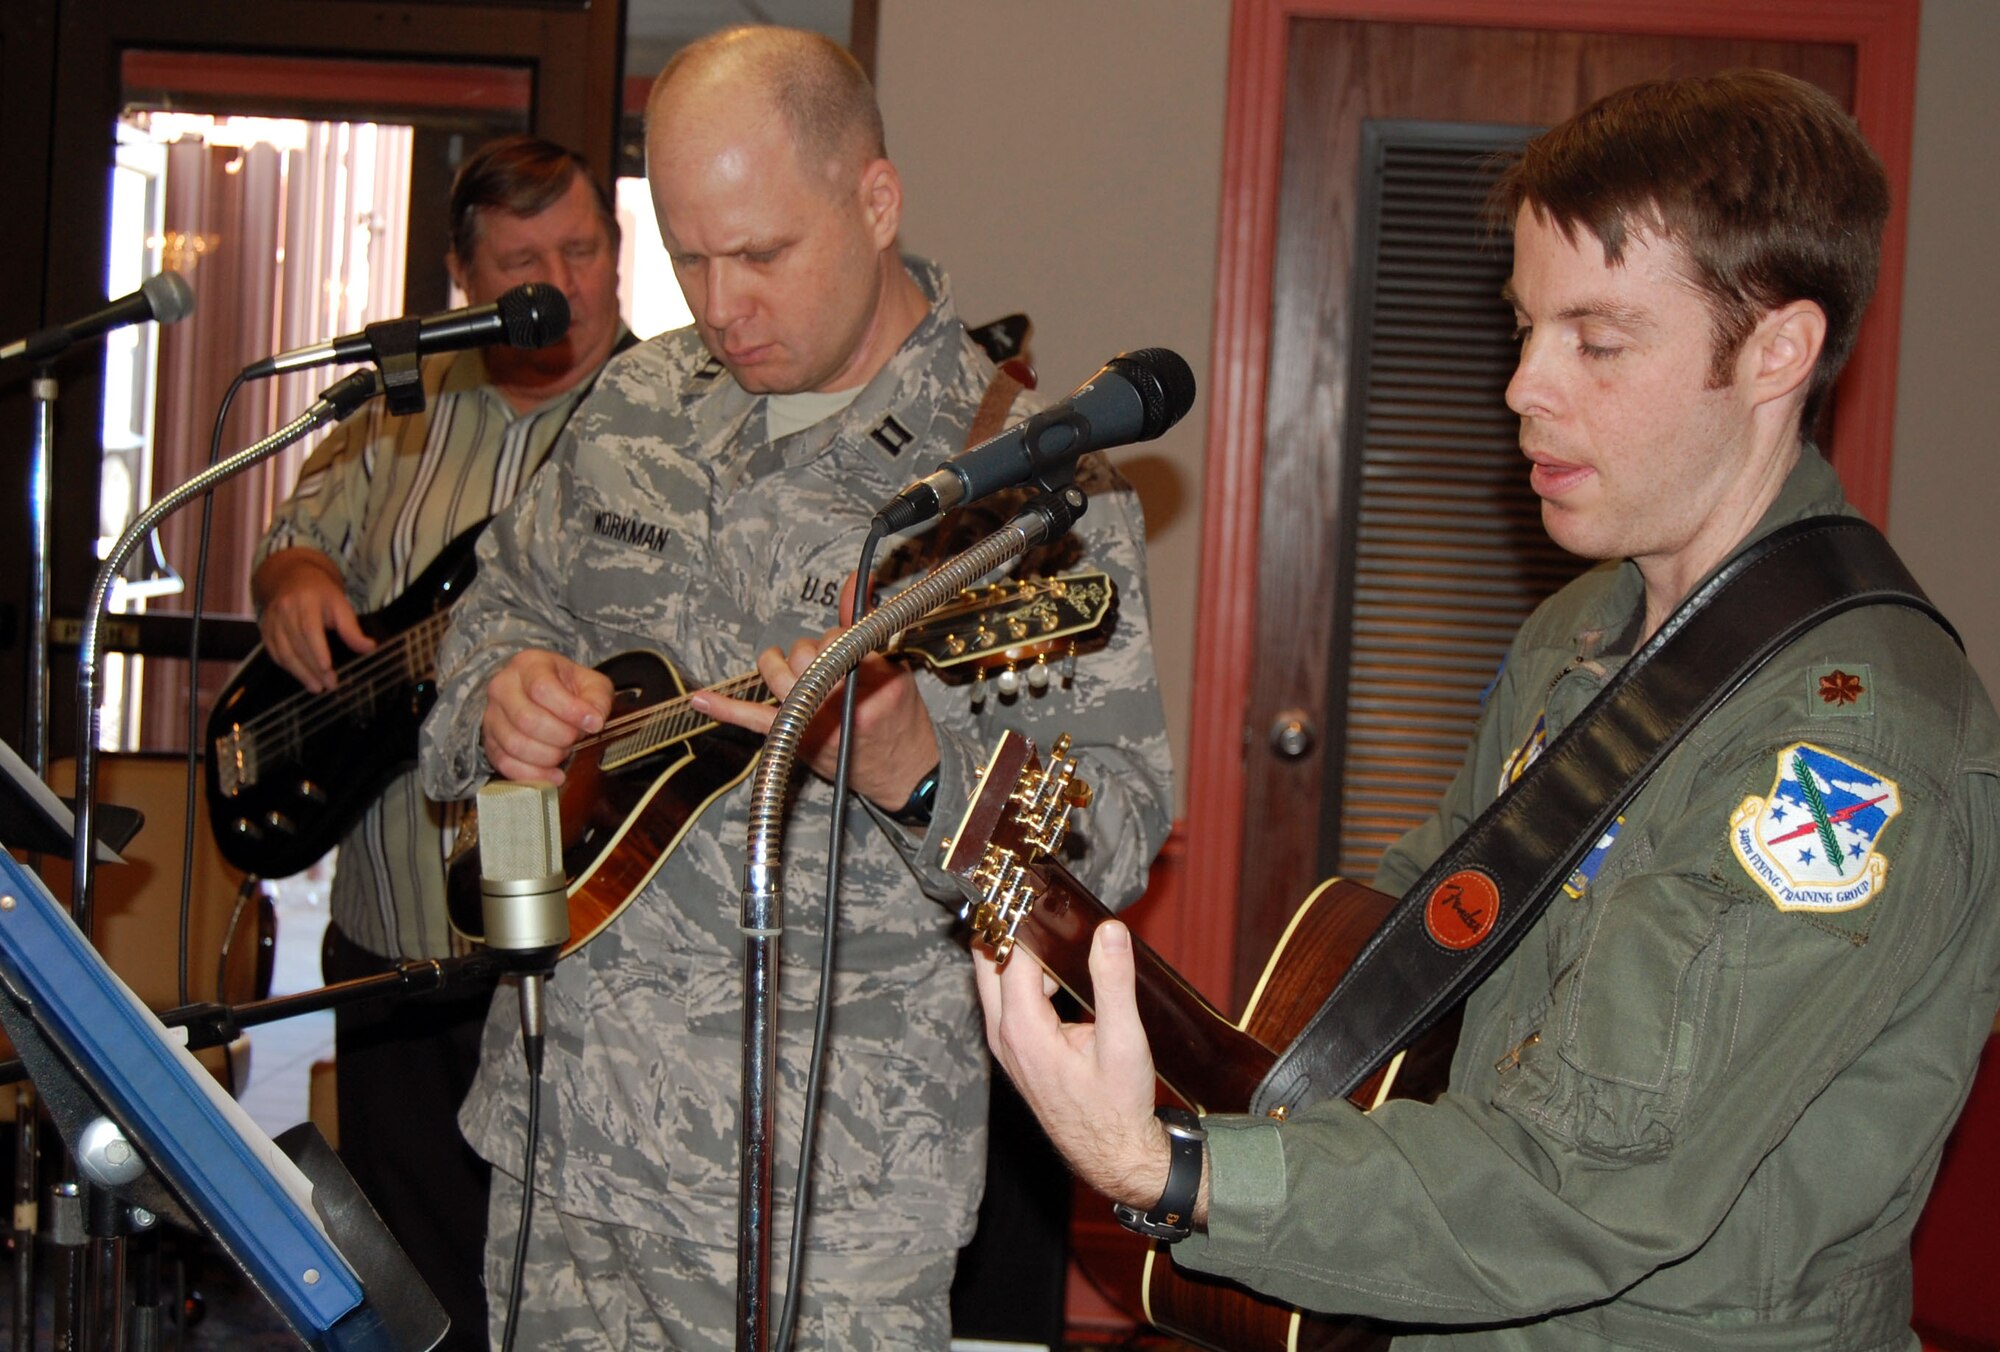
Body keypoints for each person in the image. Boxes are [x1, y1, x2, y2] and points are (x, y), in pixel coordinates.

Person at [980, 68, 2000, 1350]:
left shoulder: (1850, 745)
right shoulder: (1577, 630)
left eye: (1598, 340)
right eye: (1523, 327)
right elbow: (1418, 950)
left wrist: (1176, 1172)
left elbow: (1582, 1184)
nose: (1522, 384)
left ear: (1777, 352)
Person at [416, 26, 1173, 1349]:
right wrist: (500, 696)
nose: (722, 305)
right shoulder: (635, 405)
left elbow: (1106, 843)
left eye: (762, 253)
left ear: (876, 202)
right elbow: (492, 623)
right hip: (566, 1151)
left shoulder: (1028, 482)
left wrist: (918, 772)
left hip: (834, 1210)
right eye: (687, 257)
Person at [251, 133, 627, 1350]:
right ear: (466, 280)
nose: (560, 281)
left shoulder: (668, 418)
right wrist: (297, 578)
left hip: (577, 934)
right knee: (408, 1256)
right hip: (389, 917)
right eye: (525, 260)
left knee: (555, 1257)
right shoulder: (402, 410)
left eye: (582, 249)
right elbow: (300, 535)